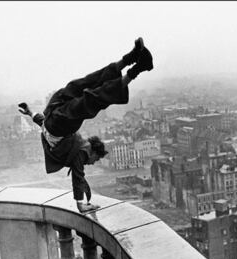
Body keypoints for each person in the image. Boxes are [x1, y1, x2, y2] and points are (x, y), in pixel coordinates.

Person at [18, 37, 153, 212]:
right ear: (92, 151)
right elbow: (78, 176)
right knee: (89, 93)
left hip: (52, 115)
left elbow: (43, 125)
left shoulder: (75, 145)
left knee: (87, 89)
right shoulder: (81, 152)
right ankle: (135, 63)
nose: (91, 163)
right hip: (55, 117)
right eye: (95, 160)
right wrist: (81, 204)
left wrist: (30, 113)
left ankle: (136, 64)